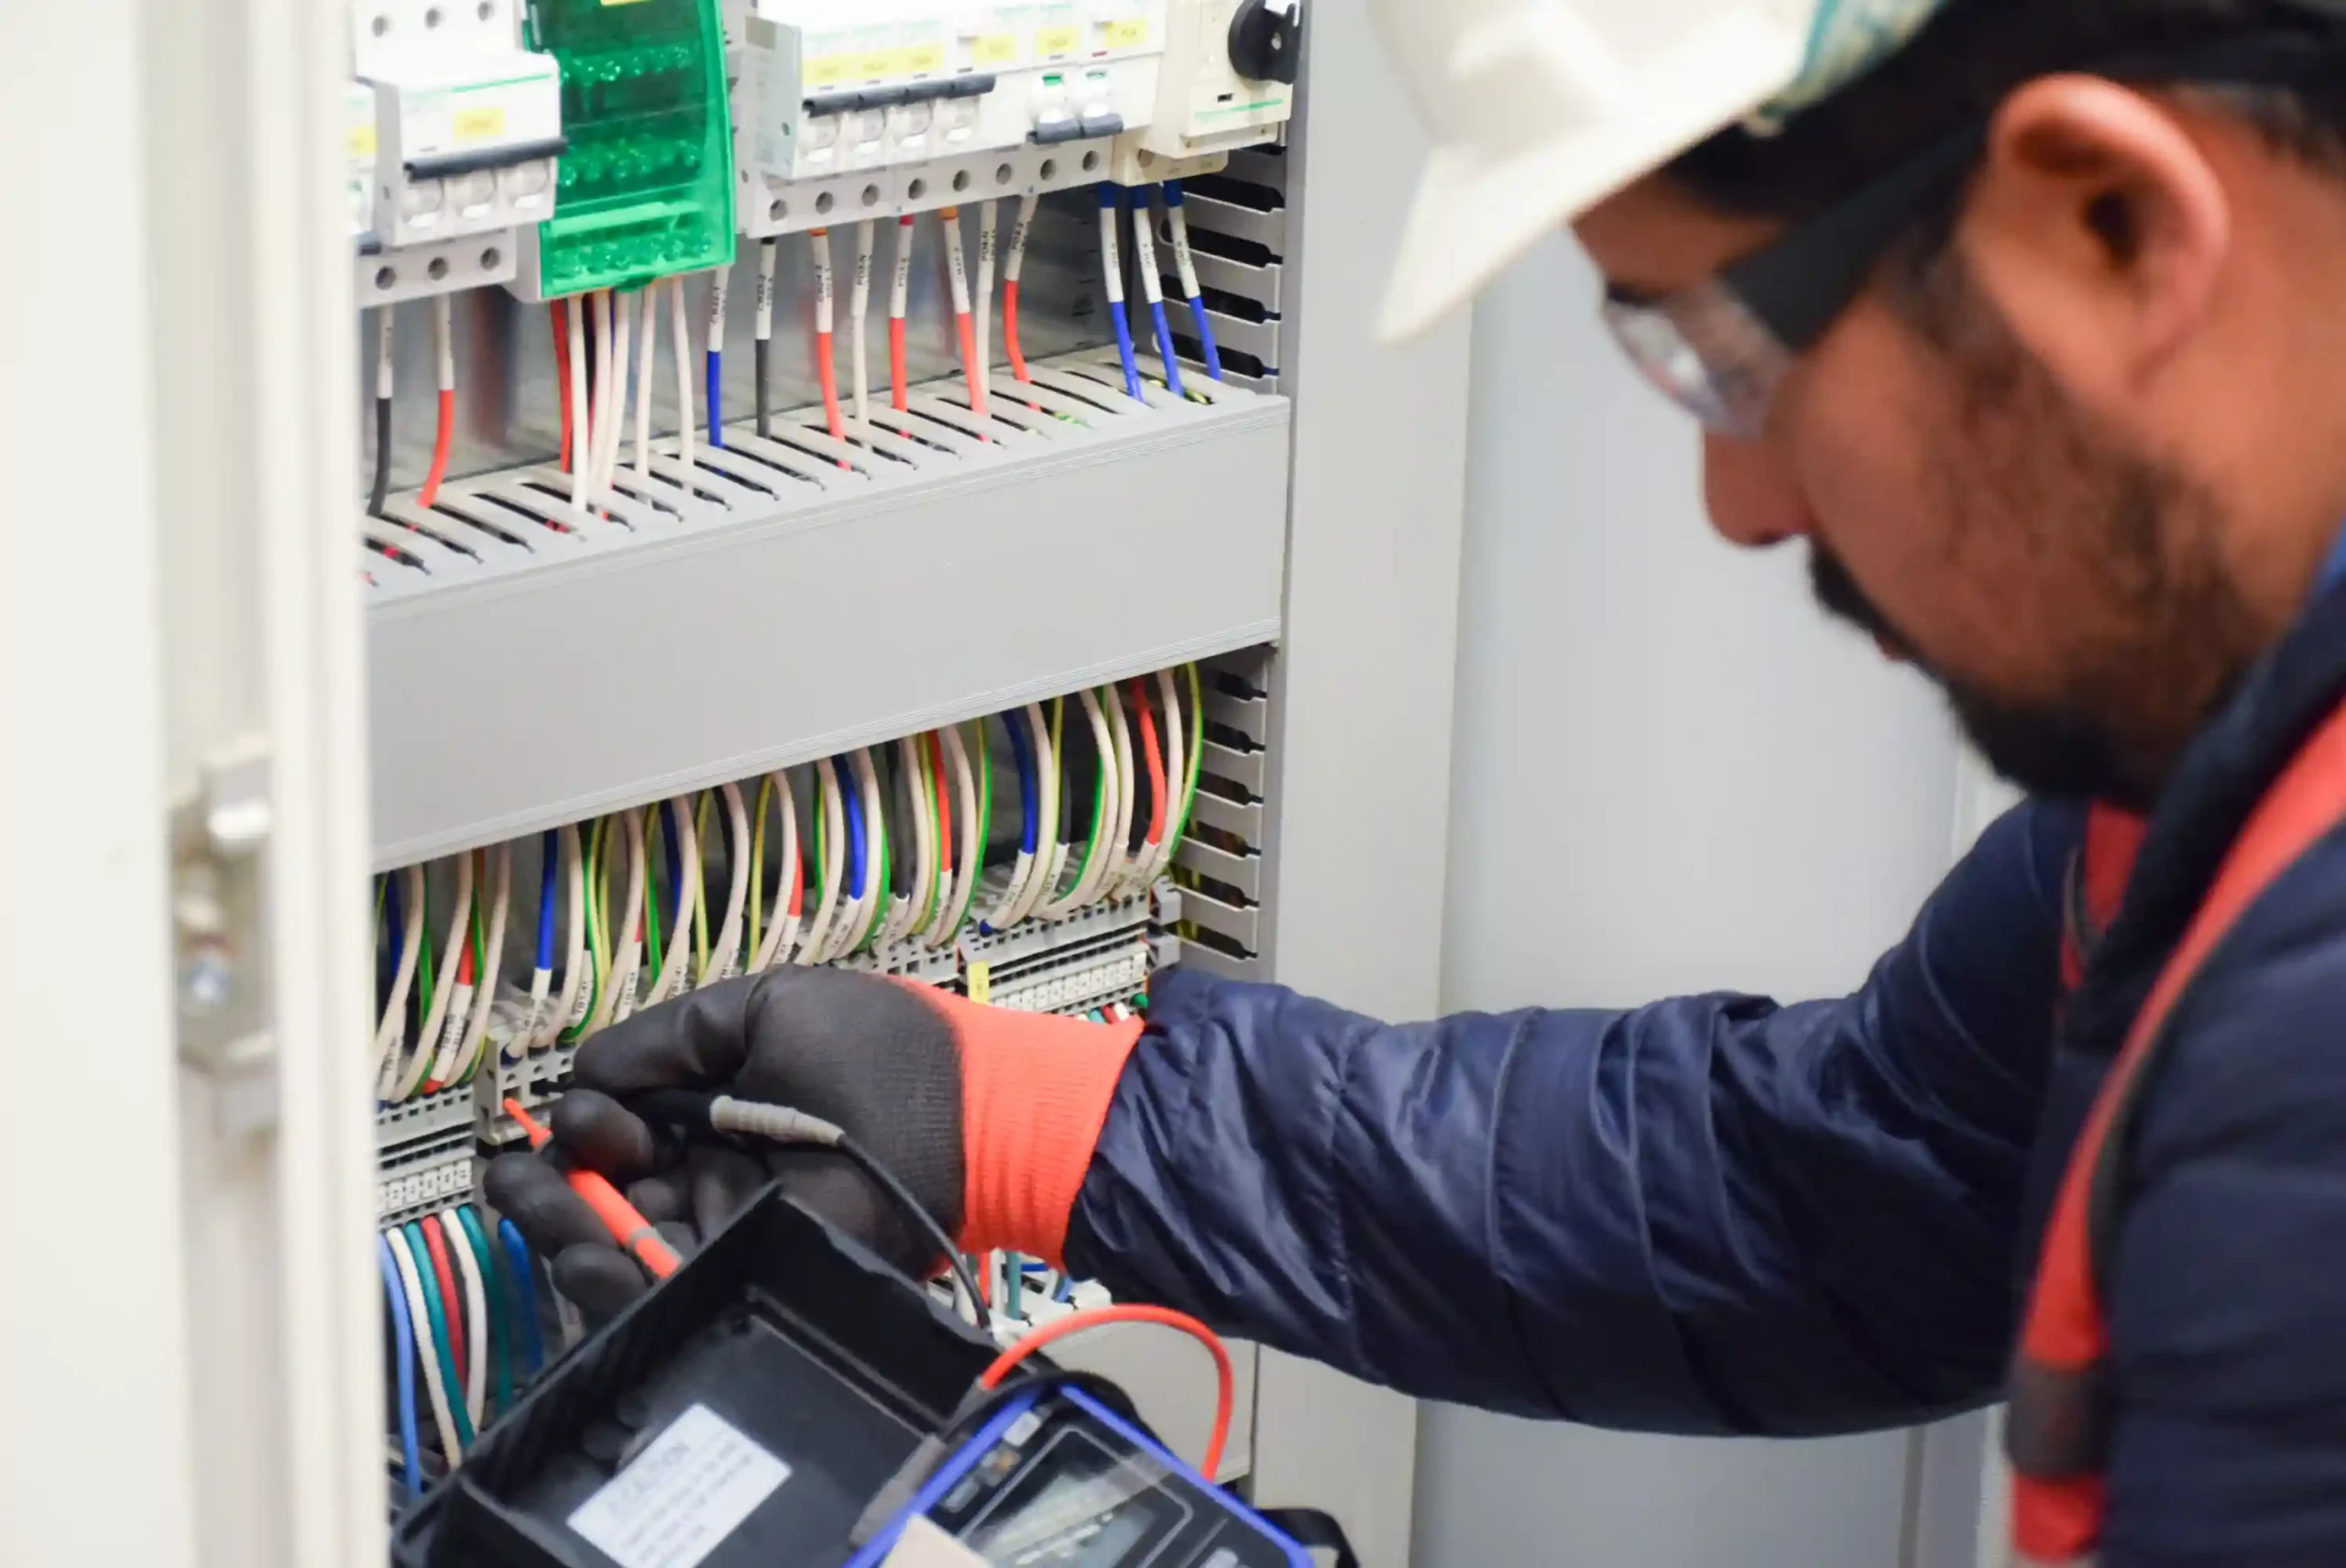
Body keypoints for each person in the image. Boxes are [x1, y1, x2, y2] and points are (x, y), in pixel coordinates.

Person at [489, 3, 2346, 1561]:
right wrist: (1031, 1118)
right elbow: (1861, 1186)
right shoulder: (2209, 748)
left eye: (1727, 358)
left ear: (2112, 222)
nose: (1740, 503)